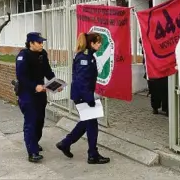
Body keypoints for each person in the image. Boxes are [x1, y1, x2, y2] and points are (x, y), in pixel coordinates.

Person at [56, 32, 110, 164]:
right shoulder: (85, 58)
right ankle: (92, 154)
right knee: (91, 124)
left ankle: (66, 143)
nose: (100, 44)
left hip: (83, 95)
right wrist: (89, 98)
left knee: (87, 123)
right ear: (91, 43)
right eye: (98, 42)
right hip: (83, 96)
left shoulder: (88, 55)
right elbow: (82, 81)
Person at [16, 32, 57, 162]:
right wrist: (35, 86)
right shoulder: (23, 56)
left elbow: (47, 71)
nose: (41, 44)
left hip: (41, 93)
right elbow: (21, 77)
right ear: (31, 43)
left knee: (40, 121)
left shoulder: (42, 54)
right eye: (39, 42)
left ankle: (34, 142)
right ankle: (32, 152)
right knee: (31, 122)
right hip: (27, 94)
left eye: (42, 42)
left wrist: (56, 83)